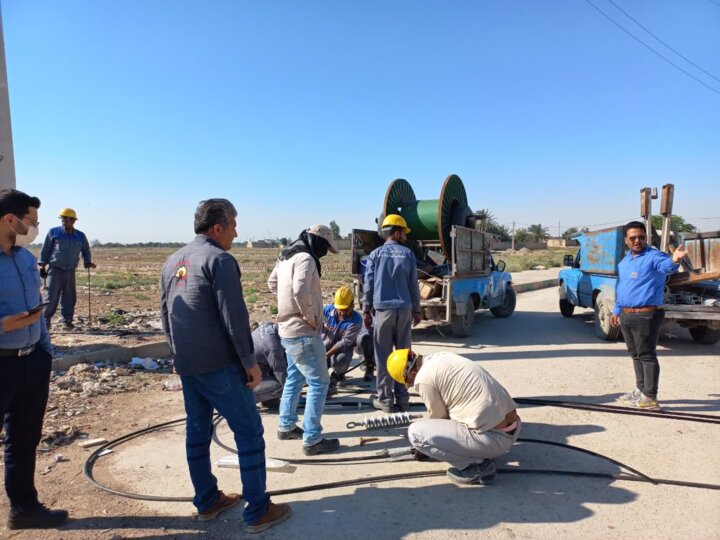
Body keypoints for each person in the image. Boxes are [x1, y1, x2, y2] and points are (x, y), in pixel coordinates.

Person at [160, 198, 290, 532]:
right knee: (248, 432)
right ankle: (258, 510)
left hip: (189, 366)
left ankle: (207, 502)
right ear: (217, 228)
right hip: (221, 365)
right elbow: (234, 317)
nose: (236, 230)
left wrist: (177, 355)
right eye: (233, 224)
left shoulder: (173, 261)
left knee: (197, 434)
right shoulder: (220, 260)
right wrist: (250, 362)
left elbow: (166, 315)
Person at [0, 189, 68, 530]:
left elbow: (38, 312)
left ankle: (24, 508)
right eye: (32, 221)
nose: (35, 228)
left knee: (25, 438)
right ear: (10, 220)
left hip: (31, 362)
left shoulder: (26, 259)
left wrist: (45, 352)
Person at [386, 349, 520, 486]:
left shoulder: (423, 379)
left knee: (416, 433)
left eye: (409, 381)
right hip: (514, 427)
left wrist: (423, 449)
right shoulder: (441, 356)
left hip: (494, 441)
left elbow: (439, 418)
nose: (412, 384)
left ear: (412, 373)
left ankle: (476, 467)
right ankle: (480, 449)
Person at [268, 224, 340, 455]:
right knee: (319, 383)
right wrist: (310, 316)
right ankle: (312, 439)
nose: (326, 253)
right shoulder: (307, 259)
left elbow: (272, 284)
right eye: (325, 247)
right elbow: (299, 289)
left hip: (287, 330)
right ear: (317, 242)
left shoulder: (285, 256)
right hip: (303, 331)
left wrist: (286, 304)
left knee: (295, 378)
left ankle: (286, 426)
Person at [611, 220, 687, 410]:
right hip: (627, 314)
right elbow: (622, 287)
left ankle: (650, 397)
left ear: (646, 238)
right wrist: (617, 309)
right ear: (626, 240)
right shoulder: (625, 261)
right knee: (635, 354)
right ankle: (641, 389)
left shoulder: (654, 256)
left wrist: (675, 260)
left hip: (647, 315)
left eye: (641, 237)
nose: (637, 240)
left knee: (647, 355)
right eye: (633, 237)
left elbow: (666, 267)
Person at [362, 214, 421, 413]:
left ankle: (385, 401)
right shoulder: (408, 254)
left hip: (383, 311)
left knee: (383, 356)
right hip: (404, 311)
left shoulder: (375, 255)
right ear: (396, 232)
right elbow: (414, 285)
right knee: (404, 356)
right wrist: (417, 309)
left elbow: (368, 284)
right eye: (404, 232)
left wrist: (365, 309)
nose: (405, 236)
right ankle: (403, 400)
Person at [38, 208, 96, 329]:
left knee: (69, 296)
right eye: (63, 218)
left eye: (68, 219)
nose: (65, 221)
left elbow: (85, 250)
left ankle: (67, 321)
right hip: (55, 270)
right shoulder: (53, 232)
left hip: (70, 271)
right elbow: (46, 250)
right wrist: (42, 266)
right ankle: (45, 321)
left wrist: (88, 262)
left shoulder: (80, 236)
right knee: (51, 296)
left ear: (74, 221)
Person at [322, 286, 363, 391]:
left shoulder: (356, 320)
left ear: (352, 304)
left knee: (341, 360)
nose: (343, 312)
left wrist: (326, 355)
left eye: (346, 309)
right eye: (340, 309)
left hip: (341, 351)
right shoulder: (327, 311)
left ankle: (339, 374)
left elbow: (344, 343)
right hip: (323, 348)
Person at [252, 322, 287, 408]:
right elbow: (280, 371)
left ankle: (268, 400)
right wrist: (295, 395)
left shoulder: (268, 326)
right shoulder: (273, 347)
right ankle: (246, 401)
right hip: (245, 384)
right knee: (286, 384)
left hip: (243, 376)